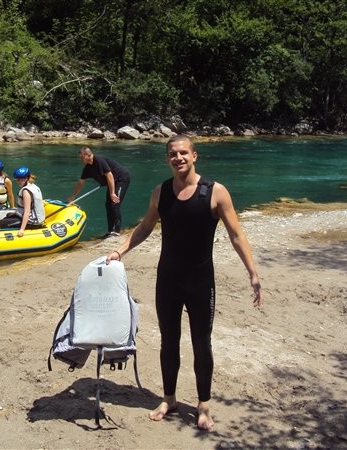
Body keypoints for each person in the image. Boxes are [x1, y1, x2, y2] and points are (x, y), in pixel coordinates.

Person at [105, 135, 263, 430]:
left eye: (183, 153)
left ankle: (203, 406)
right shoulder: (160, 193)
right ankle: (169, 398)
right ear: (168, 159)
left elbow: (236, 234)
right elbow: (145, 227)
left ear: (194, 156)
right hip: (168, 279)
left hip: (201, 280)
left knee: (201, 343)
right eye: (172, 154)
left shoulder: (215, 192)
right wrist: (120, 251)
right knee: (169, 341)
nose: (178, 158)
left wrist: (252, 273)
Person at [67, 146, 130, 238]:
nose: (80, 159)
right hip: (112, 182)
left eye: (82, 157)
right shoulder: (88, 168)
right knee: (108, 204)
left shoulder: (99, 160)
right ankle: (110, 231)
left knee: (114, 203)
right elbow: (81, 182)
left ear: (88, 155)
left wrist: (112, 193)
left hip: (121, 179)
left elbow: (109, 175)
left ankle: (116, 231)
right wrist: (73, 196)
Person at [0, 167, 45, 237]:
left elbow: (27, 211)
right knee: (8, 216)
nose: (18, 181)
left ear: (26, 178)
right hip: (36, 218)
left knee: (2, 223)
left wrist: (22, 229)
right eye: (17, 179)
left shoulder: (26, 191)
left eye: (20, 179)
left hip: (32, 221)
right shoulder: (33, 186)